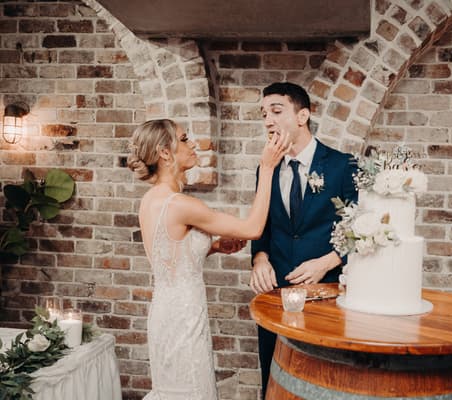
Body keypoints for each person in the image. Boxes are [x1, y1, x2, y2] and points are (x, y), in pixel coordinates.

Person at [127, 118, 289, 400]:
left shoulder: (152, 199)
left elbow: (168, 253)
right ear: (165, 153)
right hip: (185, 317)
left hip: (165, 310)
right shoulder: (181, 205)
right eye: (185, 138)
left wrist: (211, 247)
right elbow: (253, 229)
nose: (193, 144)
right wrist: (267, 168)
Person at [250, 82, 358, 398]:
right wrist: (260, 258)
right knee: (274, 374)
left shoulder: (341, 166)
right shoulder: (265, 168)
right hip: (276, 292)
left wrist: (326, 262)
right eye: (263, 113)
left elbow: (360, 229)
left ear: (303, 116)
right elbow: (263, 225)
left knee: (325, 378)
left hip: (326, 291)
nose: (268, 120)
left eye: (276, 111)